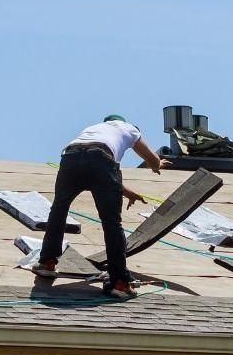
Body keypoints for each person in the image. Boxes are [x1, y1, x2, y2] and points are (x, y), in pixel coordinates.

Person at [34, 115, 171, 298]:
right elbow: (147, 160)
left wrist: (127, 192)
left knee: (59, 210)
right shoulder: (130, 128)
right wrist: (157, 164)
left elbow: (96, 170)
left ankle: (47, 263)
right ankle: (120, 282)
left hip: (70, 157)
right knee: (111, 223)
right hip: (101, 159)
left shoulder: (94, 129)